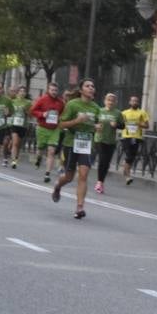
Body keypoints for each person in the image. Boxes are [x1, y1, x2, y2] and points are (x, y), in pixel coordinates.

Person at [50, 79, 103, 220]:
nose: (91, 88)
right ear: (81, 90)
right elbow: (61, 124)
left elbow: (97, 124)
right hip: (71, 143)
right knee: (69, 177)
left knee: (84, 174)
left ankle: (80, 207)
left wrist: (98, 127)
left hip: (86, 144)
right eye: (87, 86)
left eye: (93, 86)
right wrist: (77, 121)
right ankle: (58, 186)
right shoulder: (72, 105)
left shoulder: (96, 108)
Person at [30, 82, 66, 183]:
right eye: (52, 90)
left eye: (55, 90)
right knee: (40, 148)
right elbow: (32, 111)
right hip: (42, 128)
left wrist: (61, 118)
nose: (54, 92)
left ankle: (47, 174)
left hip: (54, 129)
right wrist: (42, 114)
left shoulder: (61, 102)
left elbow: (64, 114)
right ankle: (39, 158)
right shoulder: (42, 99)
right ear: (48, 90)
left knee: (51, 151)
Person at [93, 92, 124, 194]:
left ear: (115, 102)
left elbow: (123, 126)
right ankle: (99, 182)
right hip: (100, 139)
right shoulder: (99, 111)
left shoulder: (117, 113)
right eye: (108, 100)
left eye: (112, 100)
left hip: (111, 141)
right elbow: (93, 122)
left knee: (106, 163)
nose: (110, 102)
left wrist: (116, 125)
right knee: (102, 160)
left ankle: (101, 182)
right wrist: (96, 126)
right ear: (105, 101)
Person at [119, 94, 149, 185]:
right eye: (133, 101)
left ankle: (124, 167)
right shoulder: (124, 113)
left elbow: (147, 126)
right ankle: (127, 176)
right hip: (126, 137)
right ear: (130, 102)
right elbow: (120, 124)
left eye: (136, 101)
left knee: (131, 157)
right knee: (128, 155)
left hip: (136, 137)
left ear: (138, 102)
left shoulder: (142, 113)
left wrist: (139, 124)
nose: (135, 102)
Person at [6, 85, 32, 169]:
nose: (22, 93)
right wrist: (6, 113)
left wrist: (26, 111)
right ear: (17, 92)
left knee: (19, 144)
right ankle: (13, 161)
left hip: (23, 125)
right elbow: (8, 112)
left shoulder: (28, 102)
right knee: (15, 143)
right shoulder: (13, 101)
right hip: (14, 124)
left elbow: (31, 115)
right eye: (21, 91)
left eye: (24, 91)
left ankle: (15, 158)